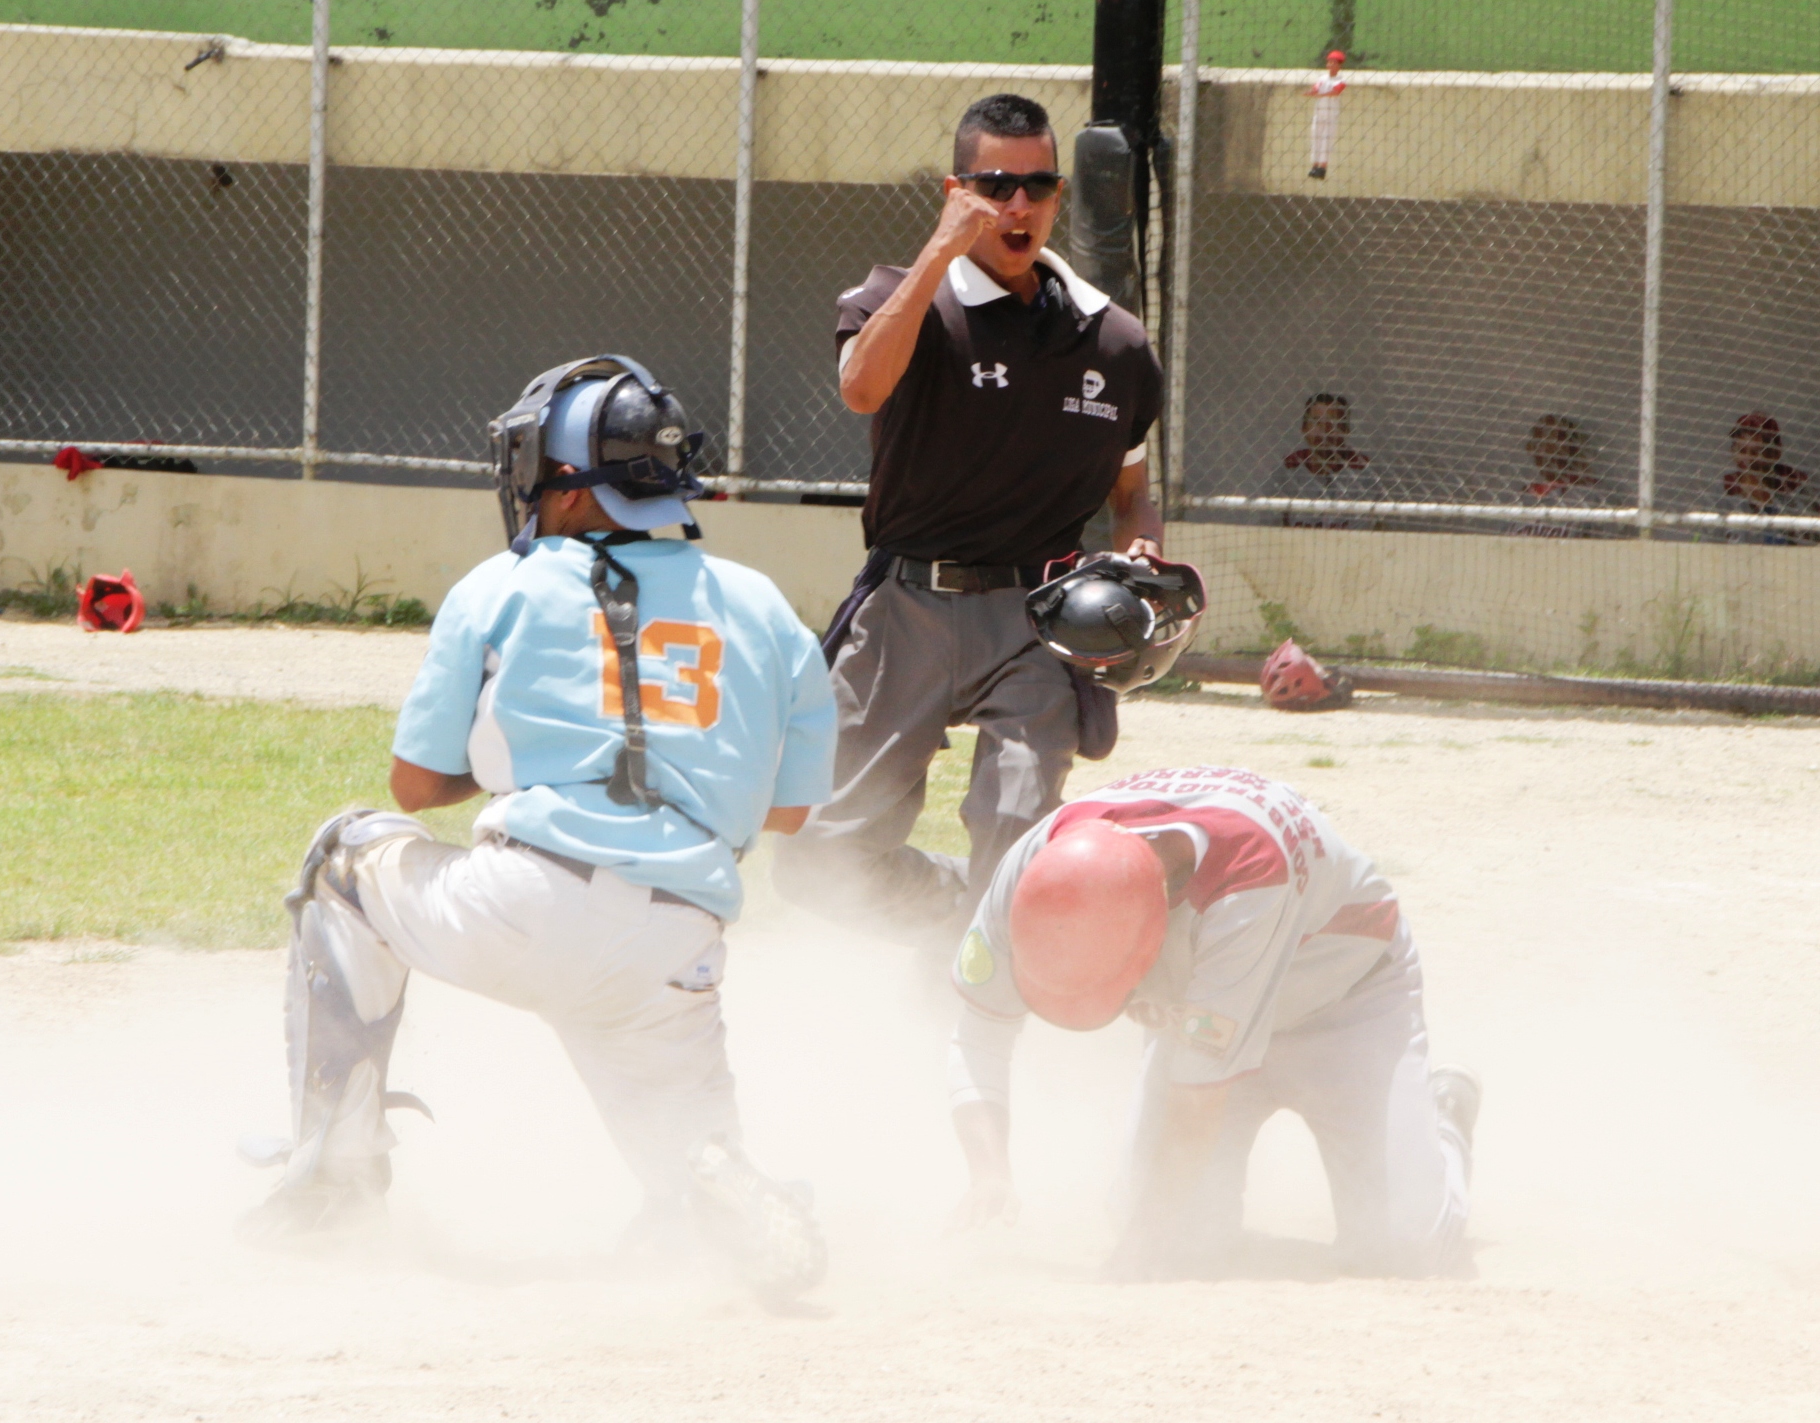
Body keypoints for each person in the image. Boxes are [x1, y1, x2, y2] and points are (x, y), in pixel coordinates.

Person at [242, 357, 836, 1299]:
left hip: (522, 902)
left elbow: (413, 788)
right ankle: (715, 1188)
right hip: (677, 941)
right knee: (693, 1172)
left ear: (567, 486)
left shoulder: (503, 584)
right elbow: (791, 809)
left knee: (343, 857)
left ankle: (334, 1177)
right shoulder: (767, 608)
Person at [772, 93, 1164, 944]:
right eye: (994, 186)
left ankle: (980, 988)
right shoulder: (899, 297)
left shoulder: (1115, 344)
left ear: (1059, 196)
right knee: (816, 857)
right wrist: (942, 249)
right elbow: (861, 388)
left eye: (1038, 186)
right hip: (907, 603)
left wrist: (1140, 567)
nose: (1018, 205)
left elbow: (1133, 493)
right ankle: (957, 913)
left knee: (1018, 851)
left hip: (1036, 620)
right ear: (957, 191)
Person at [947, 765, 1479, 1281]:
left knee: (1403, 1249)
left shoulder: (1247, 875)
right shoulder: (1035, 868)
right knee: (1177, 1239)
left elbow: (1197, 1100)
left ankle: (1445, 1119)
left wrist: (1143, 1243)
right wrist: (988, 1171)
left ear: (1151, 940)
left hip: (1345, 1007)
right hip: (1199, 1019)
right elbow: (978, 1030)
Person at [1270, 391, 1378, 528]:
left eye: (1333, 423)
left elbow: (1369, 529)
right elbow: (1269, 524)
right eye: (1316, 422)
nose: (1325, 430)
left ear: (1346, 430)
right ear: (1304, 428)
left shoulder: (1360, 469)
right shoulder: (1289, 467)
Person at [1717, 411, 1818, 544]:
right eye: (1741, 451)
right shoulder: (1726, 490)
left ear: (1775, 453)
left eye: (1756, 452)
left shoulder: (1795, 485)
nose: (1748, 459)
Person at [1513, 412, 1610, 538]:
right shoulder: (1525, 497)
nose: (1544, 451)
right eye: (1538, 444)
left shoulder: (1593, 495)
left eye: (1553, 442)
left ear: (1572, 447)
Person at [1305, 50, 1348, 180]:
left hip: (1331, 113)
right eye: (1329, 62)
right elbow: (1316, 87)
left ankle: (1322, 167)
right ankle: (1314, 165)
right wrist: (1312, 92)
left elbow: (1336, 92)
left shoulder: (1341, 80)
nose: (1330, 65)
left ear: (1339, 65)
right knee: (1315, 136)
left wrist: (1321, 95)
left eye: (1333, 62)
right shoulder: (1322, 78)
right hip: (1319, 112)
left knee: (1326, 139)